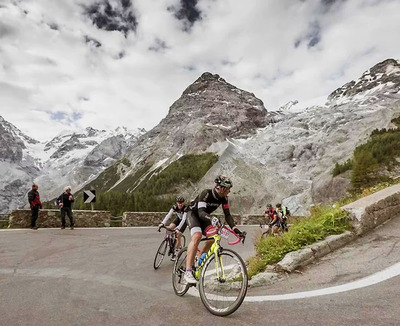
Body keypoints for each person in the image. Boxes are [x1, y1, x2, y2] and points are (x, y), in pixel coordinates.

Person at [184, 175, 243, 284]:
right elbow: (201, 212)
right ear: (222, 188)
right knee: (197, 236)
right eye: (228, 188)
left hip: (205, 217)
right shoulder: (206, 193)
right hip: (193, 215)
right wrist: (211, 218)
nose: (229, 191)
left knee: (212, 238)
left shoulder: (224, 198)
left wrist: (236, 230)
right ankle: (188, 271)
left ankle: (199, 258)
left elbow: (228, 216)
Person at [158, 196, 188, 261]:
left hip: (184, 221)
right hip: (178, 219)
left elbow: (183, 220)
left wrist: (178, 228)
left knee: (178, 234)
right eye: (178, 203)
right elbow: (168, 215)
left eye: (181, 203)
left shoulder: (185, 208)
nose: (180, 204)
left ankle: (176, 252)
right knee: (169, 228)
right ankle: (169, 240)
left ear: (183, 203)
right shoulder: (175, 207)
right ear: (176, 203)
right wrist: (162, 223)